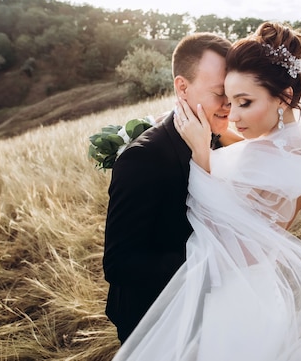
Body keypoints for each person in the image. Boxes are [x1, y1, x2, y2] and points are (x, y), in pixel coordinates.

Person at [113, 22, 301, 360]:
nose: (232, 114)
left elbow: (234, 235)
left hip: (233, 295)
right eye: (223, 96)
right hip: (256, 291)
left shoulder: (259, 154)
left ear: (283, 98)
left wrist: (201, 156)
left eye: (242, 101)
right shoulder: (300, 146)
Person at [102, 32, 238, 344]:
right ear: (182, 87)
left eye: (232, 94)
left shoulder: (218, 138)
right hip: (154, 322)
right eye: (219, 93)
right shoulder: (142, 158)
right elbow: (120, 263)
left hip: (207, 313)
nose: (229, 105)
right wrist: (207, 265)